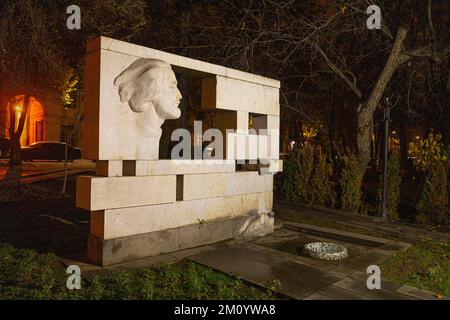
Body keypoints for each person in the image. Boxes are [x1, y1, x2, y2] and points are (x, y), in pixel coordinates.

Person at [114, 58, 182, 158]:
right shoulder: (125, 137)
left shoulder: (153, 134)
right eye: (172, 87)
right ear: (151, 89)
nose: (179, 95)